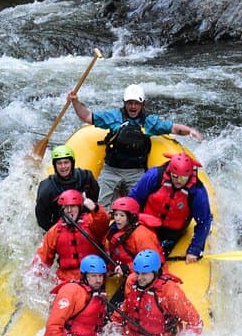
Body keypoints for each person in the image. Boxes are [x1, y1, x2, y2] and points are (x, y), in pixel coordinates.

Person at [67, 84, 203, 206]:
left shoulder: (149, 122)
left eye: (136, 103)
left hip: (136, 171)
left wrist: (189, 131)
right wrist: (75, 101)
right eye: (130, 103)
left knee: (136, 206)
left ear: (142, 104)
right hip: (112, 169)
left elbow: (173, 128)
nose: (133, 106)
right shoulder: (114, 117)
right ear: (124, 103)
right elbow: (87, 117)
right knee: (102, 204)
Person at [127, 152, 212, 263]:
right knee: (129, 251)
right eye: (175, 176)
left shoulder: (197, 192)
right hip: (144, 224)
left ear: (190, 175)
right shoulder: (155, 176)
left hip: (170, 235)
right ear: (170, 171)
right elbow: (133, 198)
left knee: (155, 261)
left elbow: (204, 222)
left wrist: (194, 250)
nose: (179, 181)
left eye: (183, 177)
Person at [111, 249, 203, 336]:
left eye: (144, 273)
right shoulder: (131, 281)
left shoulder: (169, 292)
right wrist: (113, 324)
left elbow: (195, 322)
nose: (139, 278)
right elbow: (127, 305)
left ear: (155, 272)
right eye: (137, 273)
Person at [33, 189, 110, 284]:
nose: (69, 210)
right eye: (66, 207)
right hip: (66, 279)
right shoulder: (55, 231)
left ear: (79, 208)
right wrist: (35, 278)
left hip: (93, 276)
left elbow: (104, 223)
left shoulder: (91, 222)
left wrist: (95, 208)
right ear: (62, 209)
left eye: (73, 206)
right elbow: (42, 260)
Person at [44, 255, 109, 336]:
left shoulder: (98, 295)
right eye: (93, 276)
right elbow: (53, 327)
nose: (98, 280)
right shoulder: (71, 291)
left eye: (100, 276)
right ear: (84, 276)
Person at [34, 144, 100, 231]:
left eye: (66, 162)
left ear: (72, 163)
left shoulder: (86, 177)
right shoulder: (47, 189)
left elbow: (95, 196)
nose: (63, 167)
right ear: (55, 165)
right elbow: (42, 219)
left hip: (84, 221)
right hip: (60, 225)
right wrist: (58, 232)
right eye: (59, 163)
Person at [105, 196, 164, 278]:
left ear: (131, 217)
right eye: (116, 215)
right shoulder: (119, 230)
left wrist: (128, 268)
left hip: (148, 274)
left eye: (122, 215)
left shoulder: (142, 235)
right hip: (129, 271)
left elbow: (151, 261)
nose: (117, 219)